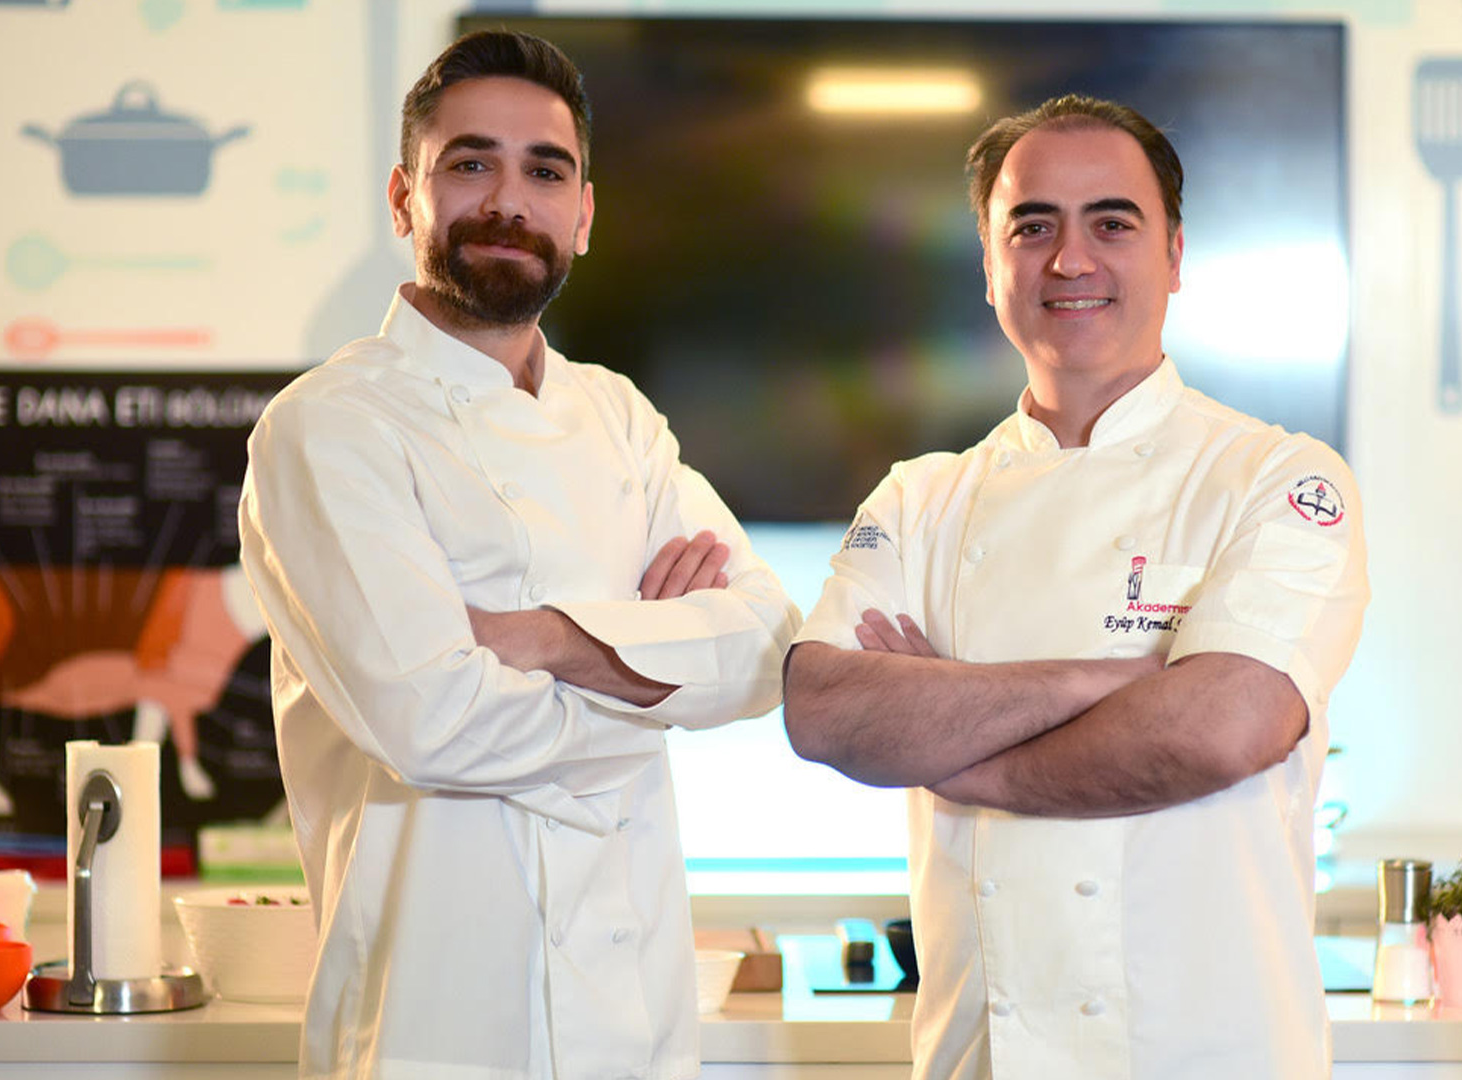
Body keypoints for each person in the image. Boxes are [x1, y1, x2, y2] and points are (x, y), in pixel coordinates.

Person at [238, 31, 800, 1080]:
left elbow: (766, 647)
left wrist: (539, 641)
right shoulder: (331, 427)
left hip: (636, 1031)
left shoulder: (620, 418)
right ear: (404, 198)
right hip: (433, 1032)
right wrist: (659, 688)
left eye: (546, 171)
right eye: (470, 164)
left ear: (582, 215)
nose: (509, 200)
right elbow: (432, 724)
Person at [783, 95, 1369, 1079]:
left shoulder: (1278, 478)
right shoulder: (921, 499)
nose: (1070, 259)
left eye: (1112, 222)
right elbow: (825, 712)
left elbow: (1224, 727)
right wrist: (1112, 680)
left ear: (1173, 256)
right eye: (1032, 226)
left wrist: (965, 761)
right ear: (988, 266)